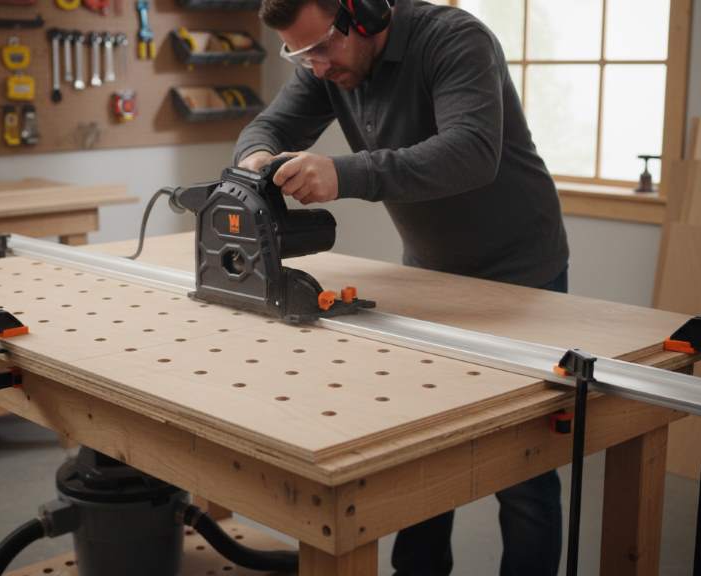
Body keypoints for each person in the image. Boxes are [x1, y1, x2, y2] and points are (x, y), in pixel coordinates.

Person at [233, 0, 569, 573]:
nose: (314, 66)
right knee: (420, 452)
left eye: (321, 48)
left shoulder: (454, 40)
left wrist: (345, 173)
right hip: (429, 273)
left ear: (363, 13)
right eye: (300, 52)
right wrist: (257, 157)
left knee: (525, 470)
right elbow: (267, 126)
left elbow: (471, 152)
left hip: (520, 277)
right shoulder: (330, 63)